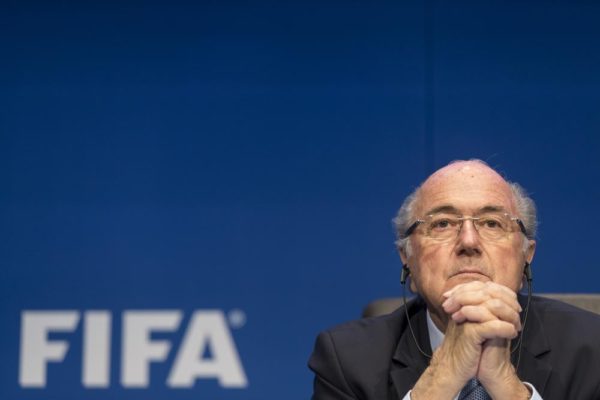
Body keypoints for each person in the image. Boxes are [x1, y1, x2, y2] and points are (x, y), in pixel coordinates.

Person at [308, 160, 600, 400]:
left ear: (527, 254)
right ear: (407, 257)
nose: (469, 241)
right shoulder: (346, 360)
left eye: (491, 223)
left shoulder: (592, 350)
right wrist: (443, 376)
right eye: (443, 224)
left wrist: (506, 387)